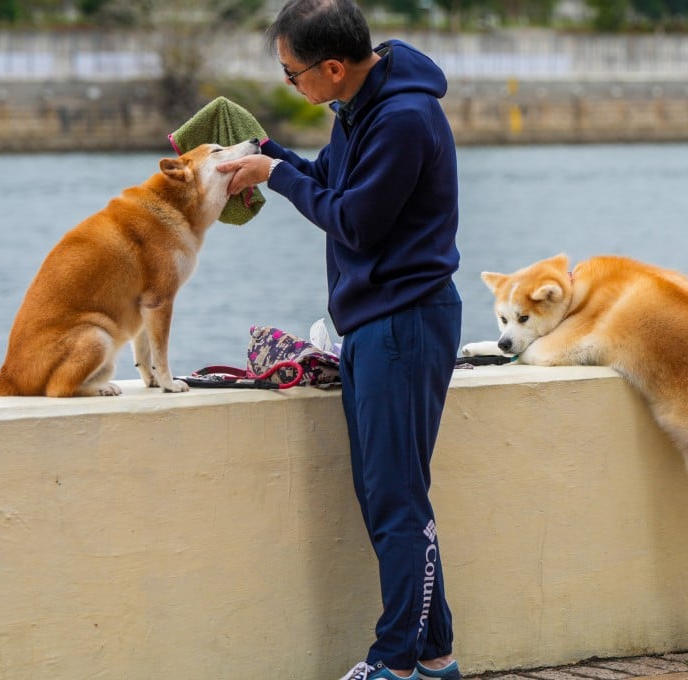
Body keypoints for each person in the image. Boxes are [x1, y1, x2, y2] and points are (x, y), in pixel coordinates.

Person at [217, 1, 463, 679]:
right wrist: (264, 155)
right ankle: (435, 657)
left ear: (332, 67)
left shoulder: (406, 118)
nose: (290, 83)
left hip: (406, 321)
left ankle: (394, 664)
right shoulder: (361, 107)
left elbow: (354, 221)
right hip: (374, 323)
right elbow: (329, 182)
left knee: (396, 498)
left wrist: (277, 178)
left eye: (292, 73)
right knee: (387, 492)